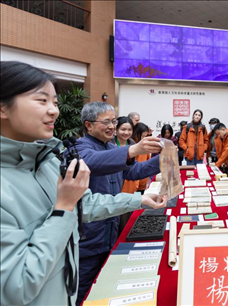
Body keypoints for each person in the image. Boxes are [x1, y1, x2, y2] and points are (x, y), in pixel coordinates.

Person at [0, 61, 166, 306]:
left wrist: (160, 166)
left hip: (85, 255)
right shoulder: (78, 149)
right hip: (89, 240)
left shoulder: (44, 162)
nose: (54, 111)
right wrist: (65, 205)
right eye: (41, 100)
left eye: (55, 102)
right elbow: (17, 285)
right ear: (3, 108)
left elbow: (88, 201)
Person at [75, 101, 165, 305]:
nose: (112, 127)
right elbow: (93, 162)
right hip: (89, 234)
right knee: (84, 290)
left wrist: (162, 160)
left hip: (110, 227)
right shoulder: (82, 147)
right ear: (88, 125)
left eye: (113, 121)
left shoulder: (111, 146)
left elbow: (132, 172)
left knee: (105, 285)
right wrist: (133, 150)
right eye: (106, 122)